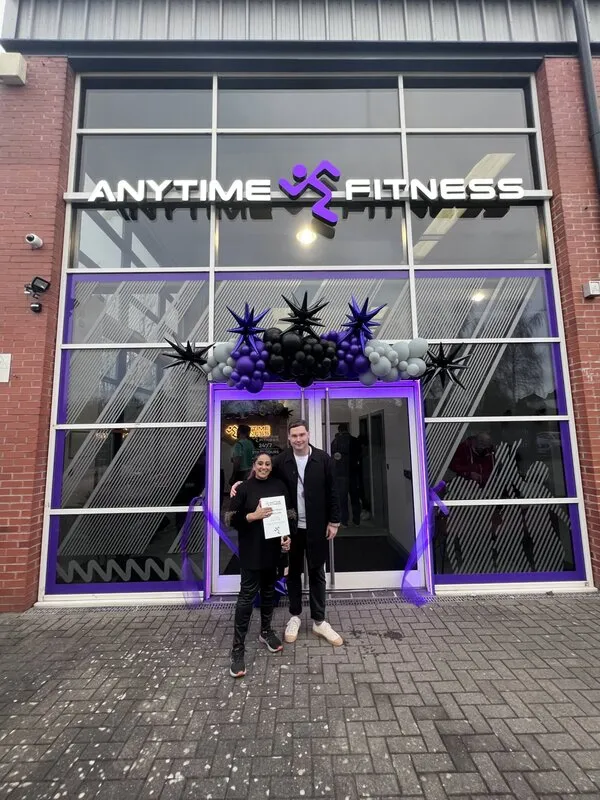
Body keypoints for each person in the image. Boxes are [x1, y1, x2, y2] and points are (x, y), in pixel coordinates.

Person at [235, 419, 343, 647]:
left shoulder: (323, 459)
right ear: (289, 438)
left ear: (308, 434)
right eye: (294, 436)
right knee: (292, 572)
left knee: (317, 572)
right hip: (291, 528)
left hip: (317, 526)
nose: (298, 439)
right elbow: (261, 474)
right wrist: (240, 484)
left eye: (302, 435)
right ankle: (294, 616)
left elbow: (334, 490)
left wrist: (334, 521)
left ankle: (319, 621)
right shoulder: (281, 460)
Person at [225, 451, 294, 679]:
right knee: (246, 598)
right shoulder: (244, 488)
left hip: (273, 551)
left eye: (267, 464)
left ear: (271, 467)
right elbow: (230, 518)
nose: (264, 467)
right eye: (260, 463)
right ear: (254, 465)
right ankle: (237, 650)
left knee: (268, 592)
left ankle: (265, 631)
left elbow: (290, 514)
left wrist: (287, 536)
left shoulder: (279, 486)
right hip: (251, 551)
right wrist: (252, 516)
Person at [331, 423, 362, 527]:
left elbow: (333, 457)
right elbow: (360, 455)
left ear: (339, 430)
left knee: (342, 498)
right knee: (355, 497)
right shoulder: (355, 441)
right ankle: (356, 520)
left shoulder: (336, 441)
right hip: (354, 472)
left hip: (341, 473)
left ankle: (344, 521)